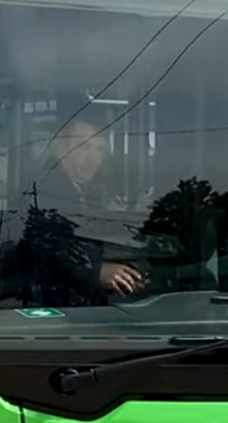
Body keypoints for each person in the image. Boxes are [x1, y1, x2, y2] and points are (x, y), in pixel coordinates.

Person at [18, 119, 145, 297]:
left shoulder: (83, 189)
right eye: (83, 147)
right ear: (60, 149)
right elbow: (49, 246)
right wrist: (95, 271)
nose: (93, 158)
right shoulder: (47, 190)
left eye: (99, 149)